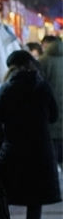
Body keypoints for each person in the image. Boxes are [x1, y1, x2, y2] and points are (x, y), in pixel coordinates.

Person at [0, 50, 60, 219]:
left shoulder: (6, 88)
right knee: (35, 201)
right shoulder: (42, 86)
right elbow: (54, 116)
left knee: (5, 200)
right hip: (39, 150)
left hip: (13, 150)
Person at [38, 35, 63, 169]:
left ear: (46, 44)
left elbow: (38, 91)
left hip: (51, 120)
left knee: (51, 163)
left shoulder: (43, 62)